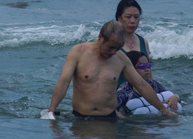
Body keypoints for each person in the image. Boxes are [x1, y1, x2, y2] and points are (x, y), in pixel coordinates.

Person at [45, 21, 176, 120]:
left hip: (109, 117)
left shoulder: (121, 59)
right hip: (81, 116)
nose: (113, 52)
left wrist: (164, 111)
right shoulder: (78, 52)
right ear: (100, 37)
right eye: (111, 47)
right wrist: (51, 111)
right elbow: (64, 82)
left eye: (118, 48)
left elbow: (142, 85)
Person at [116, 51, 181, 115]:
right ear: (131, 69)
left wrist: (175, 97)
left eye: (148, 65)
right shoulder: (123, 91)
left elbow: (168, 95)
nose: (147, 69)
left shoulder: (153, 83)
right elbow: (114, 111)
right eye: (142, 66)